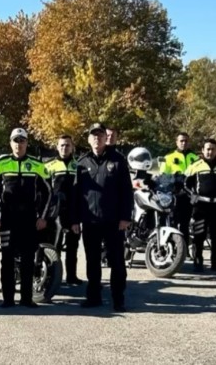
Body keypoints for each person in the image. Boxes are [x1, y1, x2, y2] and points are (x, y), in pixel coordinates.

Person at [0, 128, 52, 308]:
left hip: (29, 220)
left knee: (27, 260)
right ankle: (8, 299)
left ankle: (26, 298)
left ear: (26, 143)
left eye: (22, 141)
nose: (19, 144)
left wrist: (43, 217)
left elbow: (48, 192)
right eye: (15, 141)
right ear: (10, 143)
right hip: (8, 219)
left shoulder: (37, 165)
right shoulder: (2, 163)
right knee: (6, 260)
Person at [74, 123, 133, 312]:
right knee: (92, 261)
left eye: (100, 135)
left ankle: (118, 299)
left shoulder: (118, 160)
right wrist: (75, 219)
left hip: (113, 222)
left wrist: (125, 217)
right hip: (90, 221)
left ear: (105, 138)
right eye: (93, 136)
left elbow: (127, 191)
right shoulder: (82, 163)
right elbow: (77, 194)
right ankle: (94, 297)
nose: (97, 139)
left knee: (117, 262)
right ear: (89, 139)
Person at [185, 138, 216, 273]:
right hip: (201, 206)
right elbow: (186, 184)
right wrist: (192, 195)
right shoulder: (195, 165)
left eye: (212, 149)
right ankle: (198, 263)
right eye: (208, 149)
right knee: (199, 235)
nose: (210, 152)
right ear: (203, 150)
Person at [43, 134, 82, 285]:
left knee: (73, 246)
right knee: (55, 246)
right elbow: (44, 191)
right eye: (62, 145)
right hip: (54, 213)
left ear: (72, 147)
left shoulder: (78, 166)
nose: (65, 148)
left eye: (67, 145)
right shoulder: (49, 166)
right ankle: (54, 277)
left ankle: (71, 276)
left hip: (73, 212)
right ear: (57, 147)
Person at [159, 132, 200, 243]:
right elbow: (163, 177)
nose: (184, 143)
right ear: (176, 142)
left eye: (186, 141)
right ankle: (172, 245)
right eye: (181, 141)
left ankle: (184, 247)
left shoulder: (195, 157)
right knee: (172, 221)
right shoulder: (169, 157)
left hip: (189, 195)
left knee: (185, 223)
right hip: (174, 194)